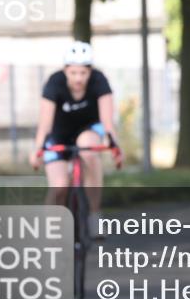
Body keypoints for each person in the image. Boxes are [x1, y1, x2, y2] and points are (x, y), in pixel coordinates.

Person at [30, 41, 122, 237]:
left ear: (90, 71)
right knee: (60, 186)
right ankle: (49, 231)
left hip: (88, 130)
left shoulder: (99, 80)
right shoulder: (54, 82)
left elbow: (107, 122)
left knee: (87, 148)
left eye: (83, 73)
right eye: (73, 73)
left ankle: (94, 215)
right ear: (65, 70)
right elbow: (45, 123)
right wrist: (37, 149)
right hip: (59, 133)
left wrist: (115, 146)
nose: (79, 78)